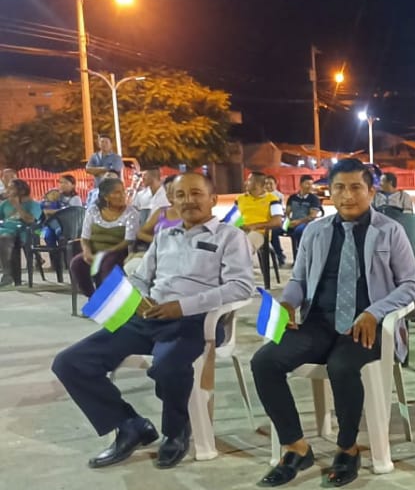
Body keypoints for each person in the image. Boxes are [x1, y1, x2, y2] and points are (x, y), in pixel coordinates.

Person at [51, 171, 255, 470]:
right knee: (70, 362)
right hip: (149, 318)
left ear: (213, 199)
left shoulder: (230, 236)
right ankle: (129, 425)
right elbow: (140, 278)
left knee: (167, 366)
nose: (188, 200)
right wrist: (138, 298)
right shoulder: (164, 236)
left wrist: (182, 307)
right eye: (180, 195)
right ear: (172, 200)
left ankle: (175, 431)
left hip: (196, 322)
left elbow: (241, 287)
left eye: (196, 193)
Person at [252, 159, 415, 488]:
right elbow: (298, 279)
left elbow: (409, 285)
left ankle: (347, 447)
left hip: (366, 327)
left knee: (342, 366)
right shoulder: (315, 232)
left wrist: (374, 312)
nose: (347, 195)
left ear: (371, 191)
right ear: (330, 192)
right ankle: (296, 447)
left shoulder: (390, 231)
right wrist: (287, 304)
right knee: (264, 362)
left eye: (356, 187)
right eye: (339, 188)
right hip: (318, 323)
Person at [70, 176, 140, 297]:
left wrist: (106, 253)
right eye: (117, 192)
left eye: (123, 191)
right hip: (94, 251)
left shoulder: (131, 213)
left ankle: (109, 299)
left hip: (118, 252)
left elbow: (128, 240)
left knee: (108, 264)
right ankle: (93, 297)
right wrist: (87, 252)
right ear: (106, 196)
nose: (123, 195)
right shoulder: (93, 211)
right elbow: (85, 237)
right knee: (77, 264)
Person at [0, 179, 43, 288]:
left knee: (4, 238)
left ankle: (7, 274)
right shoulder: (5, 204)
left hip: (23, 232)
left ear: (22, 191)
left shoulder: (33, 204)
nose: (8, 190)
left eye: (11, 188)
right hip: (4, 230)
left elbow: (30, 220)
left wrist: (17, 206)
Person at [234, 172, 285, 262]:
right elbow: (235, 218)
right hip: (241, 231)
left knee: (243, 247)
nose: (246, 182)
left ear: (257, 184)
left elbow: (278, 222)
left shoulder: (273, 199)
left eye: (249, 180)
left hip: (260, 233)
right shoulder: (240, 199)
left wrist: (254, 226)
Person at [283, 174, 324, 259]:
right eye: (307, 184)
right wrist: (287, 222)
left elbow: (312, 216)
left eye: (311, 184)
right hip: (293, 222)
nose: (310, 186)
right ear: (301, 184)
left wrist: (298, 222)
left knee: (298, 231)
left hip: (306, 223)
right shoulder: (293, 197)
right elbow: (287, 212)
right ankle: (279, 255)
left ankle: (300, 256)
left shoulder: (314, 199)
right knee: (275, 230)